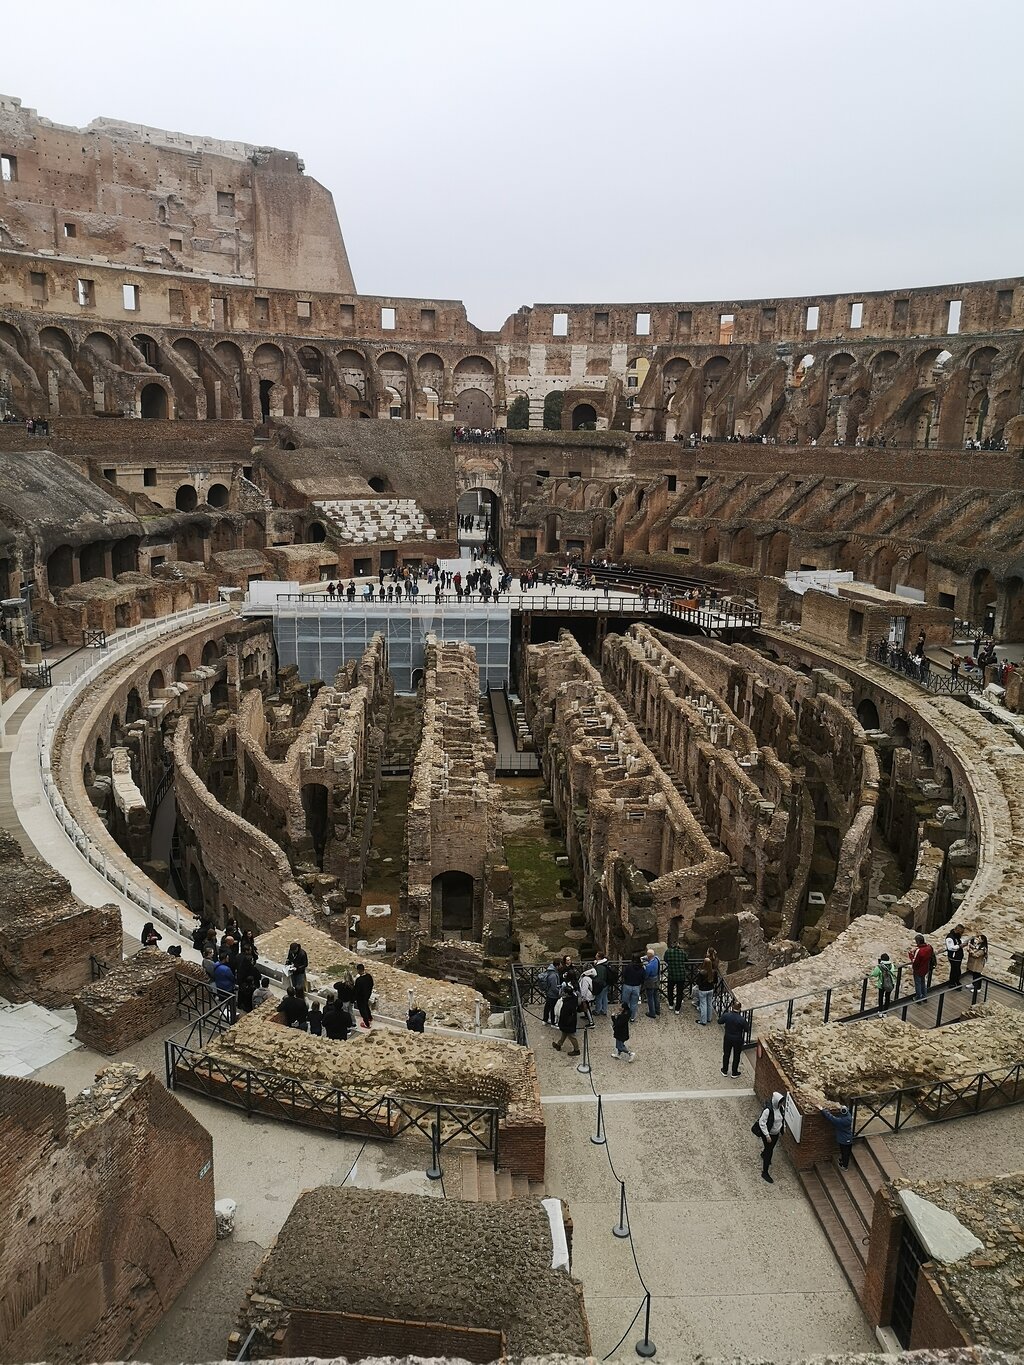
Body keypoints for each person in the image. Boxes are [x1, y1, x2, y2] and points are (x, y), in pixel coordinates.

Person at [756, 1091, 786, 1183]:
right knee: (769, 1152)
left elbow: (782, 1119)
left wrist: (783, 1128)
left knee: (771, 1148)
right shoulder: (768, 1111)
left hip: (775, 1134)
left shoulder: (781, 1108)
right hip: (769, 1135)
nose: (782, 1104)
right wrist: (767, 1135)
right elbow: (762, 1123)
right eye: (780, 1102)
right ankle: (765, 1172)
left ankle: (764, 1154)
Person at [819, 1104, 854, 1169]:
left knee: (844, 1153)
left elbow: (830, 1117)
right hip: (849, 1138)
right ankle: (843, 1161)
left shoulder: (839, 1121)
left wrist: (822, 1109)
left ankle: (844, 1166)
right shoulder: (849, 1117)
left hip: (843, 1140)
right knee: (847, 1152)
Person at [552, 985, 580, 1056]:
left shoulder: (568, 1003)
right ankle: (559, 1044)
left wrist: (561, 1022)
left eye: (564, 992)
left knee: (571, 1036)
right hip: (568, 1022)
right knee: (564, 1033)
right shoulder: (572, 1000)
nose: (563, 993)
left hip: (568, 1022)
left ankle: (577, 1050)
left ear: (567, 994)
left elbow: (565, 1015)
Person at [720, 1000, 746, 1076]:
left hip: (728, 1037)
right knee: (737, 1055)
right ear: (740, 1009)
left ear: (732, 1007)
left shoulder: (727, 1015)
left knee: (726, 1054)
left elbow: (719, 1021)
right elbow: (747, 1029)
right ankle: (734, 1072)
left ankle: (725, 1070)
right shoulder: (741, 1019)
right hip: (738, 1039)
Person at [909, 933, 935, 1001]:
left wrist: (911, 954)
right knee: (923, 982)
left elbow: (914, 961)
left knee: (918, 983)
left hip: (918, 969)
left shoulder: (919, 951)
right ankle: (924, 996)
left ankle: (918, 998)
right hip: (926, 968)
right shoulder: (929, 947)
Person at [663, 938, 687, 1013]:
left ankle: (670, 1004)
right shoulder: (682, 952)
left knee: (670, 990)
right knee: (679, 992)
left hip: (672, 975)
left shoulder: (668, 952)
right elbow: (686, 959)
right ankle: (677, 1008)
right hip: (681, 975)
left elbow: (665, 959)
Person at [620, 954, 645, 1023]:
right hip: (636, 987)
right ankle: (632, 1017)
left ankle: (624, 1016)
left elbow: (623, 974)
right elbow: (643, 977)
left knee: (625, 1002)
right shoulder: (641, 968)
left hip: (627, 985)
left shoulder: (628, 966)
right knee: (634, 1004)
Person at [695, 955, 717, 1026]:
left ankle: (703, 1021)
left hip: (703, 990)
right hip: (710, 989)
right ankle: (709, 1018)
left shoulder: (702, 973)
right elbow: (716, 981)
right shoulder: (714, 972)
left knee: (703, 1005)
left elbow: (698, 982)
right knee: (709, 1003)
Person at [353, 963, 374, 1028]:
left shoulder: (359, 980)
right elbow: (372, 984)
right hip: (367, 994)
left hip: (360, 997)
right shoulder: (369, 976)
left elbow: (356, 990)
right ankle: (370, 1017)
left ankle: (366, 1023)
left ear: (358, 970)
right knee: (366, 1005)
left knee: (362, 1009)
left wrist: (354, 998)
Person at [643, 948, 661, 1018]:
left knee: (650, 997)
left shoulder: (648, 966)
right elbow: (650, 957)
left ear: (648, 956)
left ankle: (652, 1013)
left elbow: (646, 975)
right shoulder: (657, 959)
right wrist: (645, 958)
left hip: (650, 982)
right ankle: (657, 1010)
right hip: (656, 980)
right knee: (656, 995)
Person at [542, 962, 562, 1026]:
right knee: (553, 1008)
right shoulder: (553, 975)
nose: (561, 966)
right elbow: (554, 987)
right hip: (552, 994)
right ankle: (553, 1023)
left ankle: (545, 1019)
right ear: (557, 966)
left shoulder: (550, 971)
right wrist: (558, 992)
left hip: (549, 993)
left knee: (547, 1006)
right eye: (560, 965)